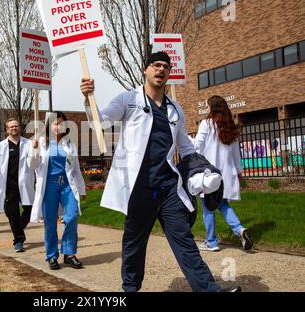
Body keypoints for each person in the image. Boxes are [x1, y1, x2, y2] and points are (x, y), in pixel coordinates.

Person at [80, 52, 241, 292]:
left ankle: (210, 290)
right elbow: (99, 122)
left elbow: (186, 148)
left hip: (167, 188)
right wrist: (87, 98)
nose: (161, 70)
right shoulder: (128, 100)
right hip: (139, 188)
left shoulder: (175, 109)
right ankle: (131, 289)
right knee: (134, 245)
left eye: (166, 66)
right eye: (156, 65)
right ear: (145, 70)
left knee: (185, 242)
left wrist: (204, 170)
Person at [190, 95, 253, 252]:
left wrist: (183, 137)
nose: (207, 109)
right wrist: (239, 173)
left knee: (208, 208)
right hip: (226, 174)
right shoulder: (230, 126)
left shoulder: (206, 124)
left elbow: (197, 145)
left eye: (208, 106)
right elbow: (236, 154)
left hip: (210, 174)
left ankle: (211, 241)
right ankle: (239, 229)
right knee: (223, 204)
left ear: (213, 107)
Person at [30, 112, 86, 270]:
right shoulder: (41, 142)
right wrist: (33, 151)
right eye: (55, 123)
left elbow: (75, 169)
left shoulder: (70, 144)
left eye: (61, 123)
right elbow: (32, 166)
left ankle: (69, 254)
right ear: (49, 126)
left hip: (67, 184)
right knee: (50, 221)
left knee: (72, 215)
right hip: (49, 185)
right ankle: (52, 256)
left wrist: (81, 189)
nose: (58, 126)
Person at [0, 118, 38, 252]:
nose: (14, 128)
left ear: (20, 128)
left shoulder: (29, 143)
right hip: (8, 184)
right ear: (7, 130)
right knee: (12, 212)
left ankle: (18, 229)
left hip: (25, 183)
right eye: (11, 127)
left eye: (16, 126)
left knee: (29, 210)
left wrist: (35, 150)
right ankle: (18, 240)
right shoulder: (0, 146)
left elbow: (34, 164)